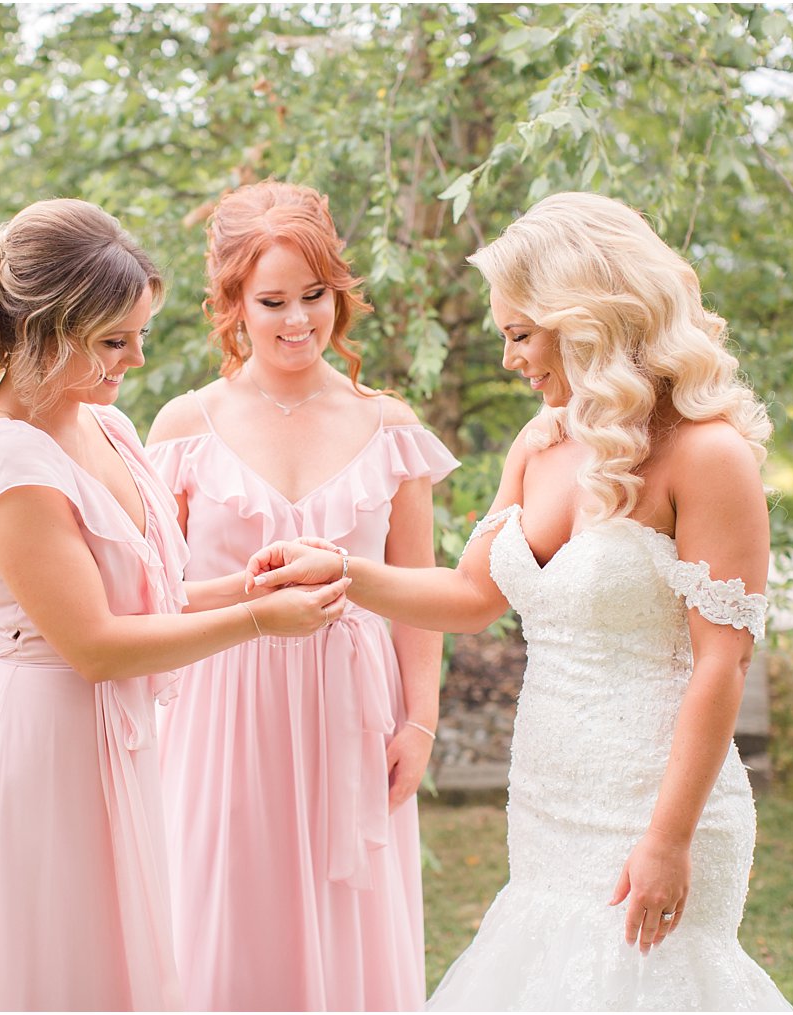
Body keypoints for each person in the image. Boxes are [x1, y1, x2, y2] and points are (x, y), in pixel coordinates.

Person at [249, 192, 793, 1010]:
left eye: (518, 334)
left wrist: (668, 839)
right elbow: (471, 596)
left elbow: (723, 661)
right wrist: (341, 570)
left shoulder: (708, 454)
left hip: (657, 801)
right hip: (547, 805)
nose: (509, 359)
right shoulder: (540, 442)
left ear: (586, 319)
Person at [0, 197, 350, 1012]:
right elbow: (98, 645)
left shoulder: (101, 426)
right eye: (115, 340)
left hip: (114, 745)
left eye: (139, 333)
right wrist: (256, 623)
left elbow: (148, 596)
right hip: (42, 761)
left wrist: (254, 585)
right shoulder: (7, 464)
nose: (138, 359)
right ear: (42, 334)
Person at [145, 181, 458, 1011]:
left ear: (339, 293)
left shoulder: (390, 426)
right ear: (233, 302)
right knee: (225, 929)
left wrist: (419, 721)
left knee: (349, 932)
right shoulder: (183, 426)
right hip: (219, 715)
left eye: (314, 296)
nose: (297, 321)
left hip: (353, 716)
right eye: (272, 299)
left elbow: (423, 595)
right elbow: (150, 593)